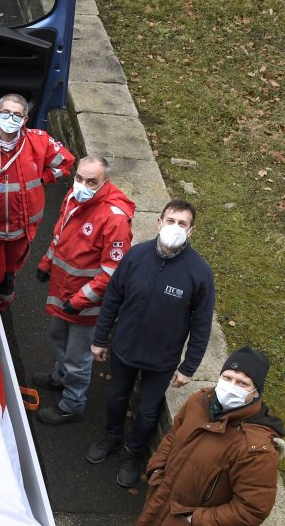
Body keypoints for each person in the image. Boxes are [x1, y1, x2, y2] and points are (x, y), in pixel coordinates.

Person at [85, 199, 216, 488]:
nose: (175, 227)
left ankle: (133, 453)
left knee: (147, 410)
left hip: (161, 360)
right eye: (170, 221)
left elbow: (201, 325)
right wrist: (100, 337)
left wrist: (188, 366)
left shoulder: (200, 273)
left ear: (191, 231)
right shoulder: (136, 256)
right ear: (159, 222)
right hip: (123, 350)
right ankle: (112, 437)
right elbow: (113, 299)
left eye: (182, 224)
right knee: (116, 397)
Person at [32, 154, 134, 425]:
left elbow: (112, 272)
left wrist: (80, 300)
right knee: (58, 337)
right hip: (66, 292)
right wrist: (46, 262)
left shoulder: (115, 220)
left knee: (78, 356)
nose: (82, 185)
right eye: (79, 178)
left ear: (105, 182)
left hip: (88, 304)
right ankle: (60, 377)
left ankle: (72, 403)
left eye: (91, 181)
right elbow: (60, 234)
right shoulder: (75, 197)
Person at [137, 346, 285, 525]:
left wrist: (196, 520)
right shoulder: (199, 400)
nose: (231, 386)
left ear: (256, 392)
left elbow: (250, 511)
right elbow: (173, 436)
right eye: (227, 377)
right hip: (159, 503)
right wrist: (157, 470)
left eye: (242, 383)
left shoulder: (257, 450)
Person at [0, 94, 75, 308]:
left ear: (25, 120)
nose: (11, 118)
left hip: (21, 231)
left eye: (17, 115)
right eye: (6, 113)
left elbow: (66, 162)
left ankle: (4, 300)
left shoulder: (39, 142)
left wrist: (44, 177)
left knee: (12, 268)